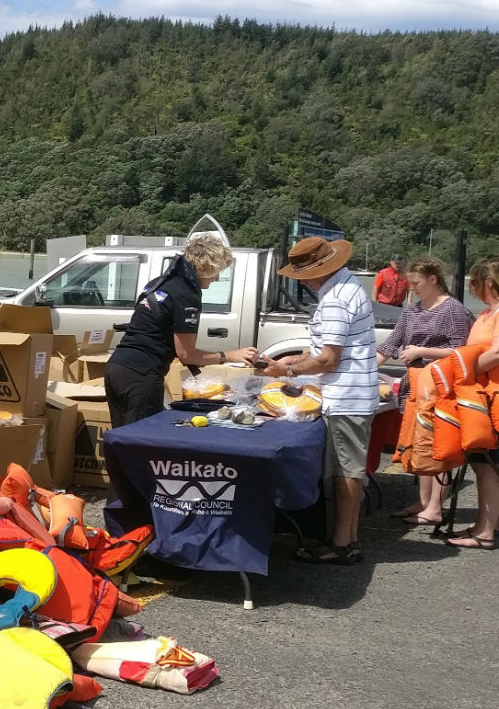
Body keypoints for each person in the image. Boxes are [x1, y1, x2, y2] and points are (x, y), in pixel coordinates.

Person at [261, 235, 379, 564]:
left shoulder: (337, 299)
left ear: (319, 271)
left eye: (304, 276)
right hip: (350, 394)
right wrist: (287, 364)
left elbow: (327, 359)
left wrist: (287, 372)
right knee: (347, 469)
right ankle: (347, 538)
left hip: (346, 397)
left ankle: (342, 543)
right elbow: (319, 351)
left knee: (345, 470)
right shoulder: (345, 287)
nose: (304, 283)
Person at [105, 235, 258, 428]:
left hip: (117, 367)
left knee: (120, 441)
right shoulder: (186, 295)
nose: (217, 278)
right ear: (205, 266)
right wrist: (230, 355)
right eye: (217, 271)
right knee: (141, 444)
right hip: (141, 375)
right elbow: (186, 354)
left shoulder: (161, 282)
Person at [374, 256, 474, 525]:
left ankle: (435, 508)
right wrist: (366, 370)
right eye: (410, 283)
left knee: (439, 446)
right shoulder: (412, 310)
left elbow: (462, 350)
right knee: (420, 445)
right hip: (415, 384)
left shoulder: (452, 310)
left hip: (441, 385)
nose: (412, 288)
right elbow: (390, 345)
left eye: (416, 283)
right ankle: (423, 502)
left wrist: (422, 351)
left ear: (433, 279)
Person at [446, 256, 499, 549]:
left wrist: (458, 371)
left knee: (490, 467)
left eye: (475, 283)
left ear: (489, 282)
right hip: (481, 397)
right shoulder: (489, 312)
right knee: (484, 466)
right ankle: (486, 525)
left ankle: (485, 533)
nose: (473, 288)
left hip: (498, 398)